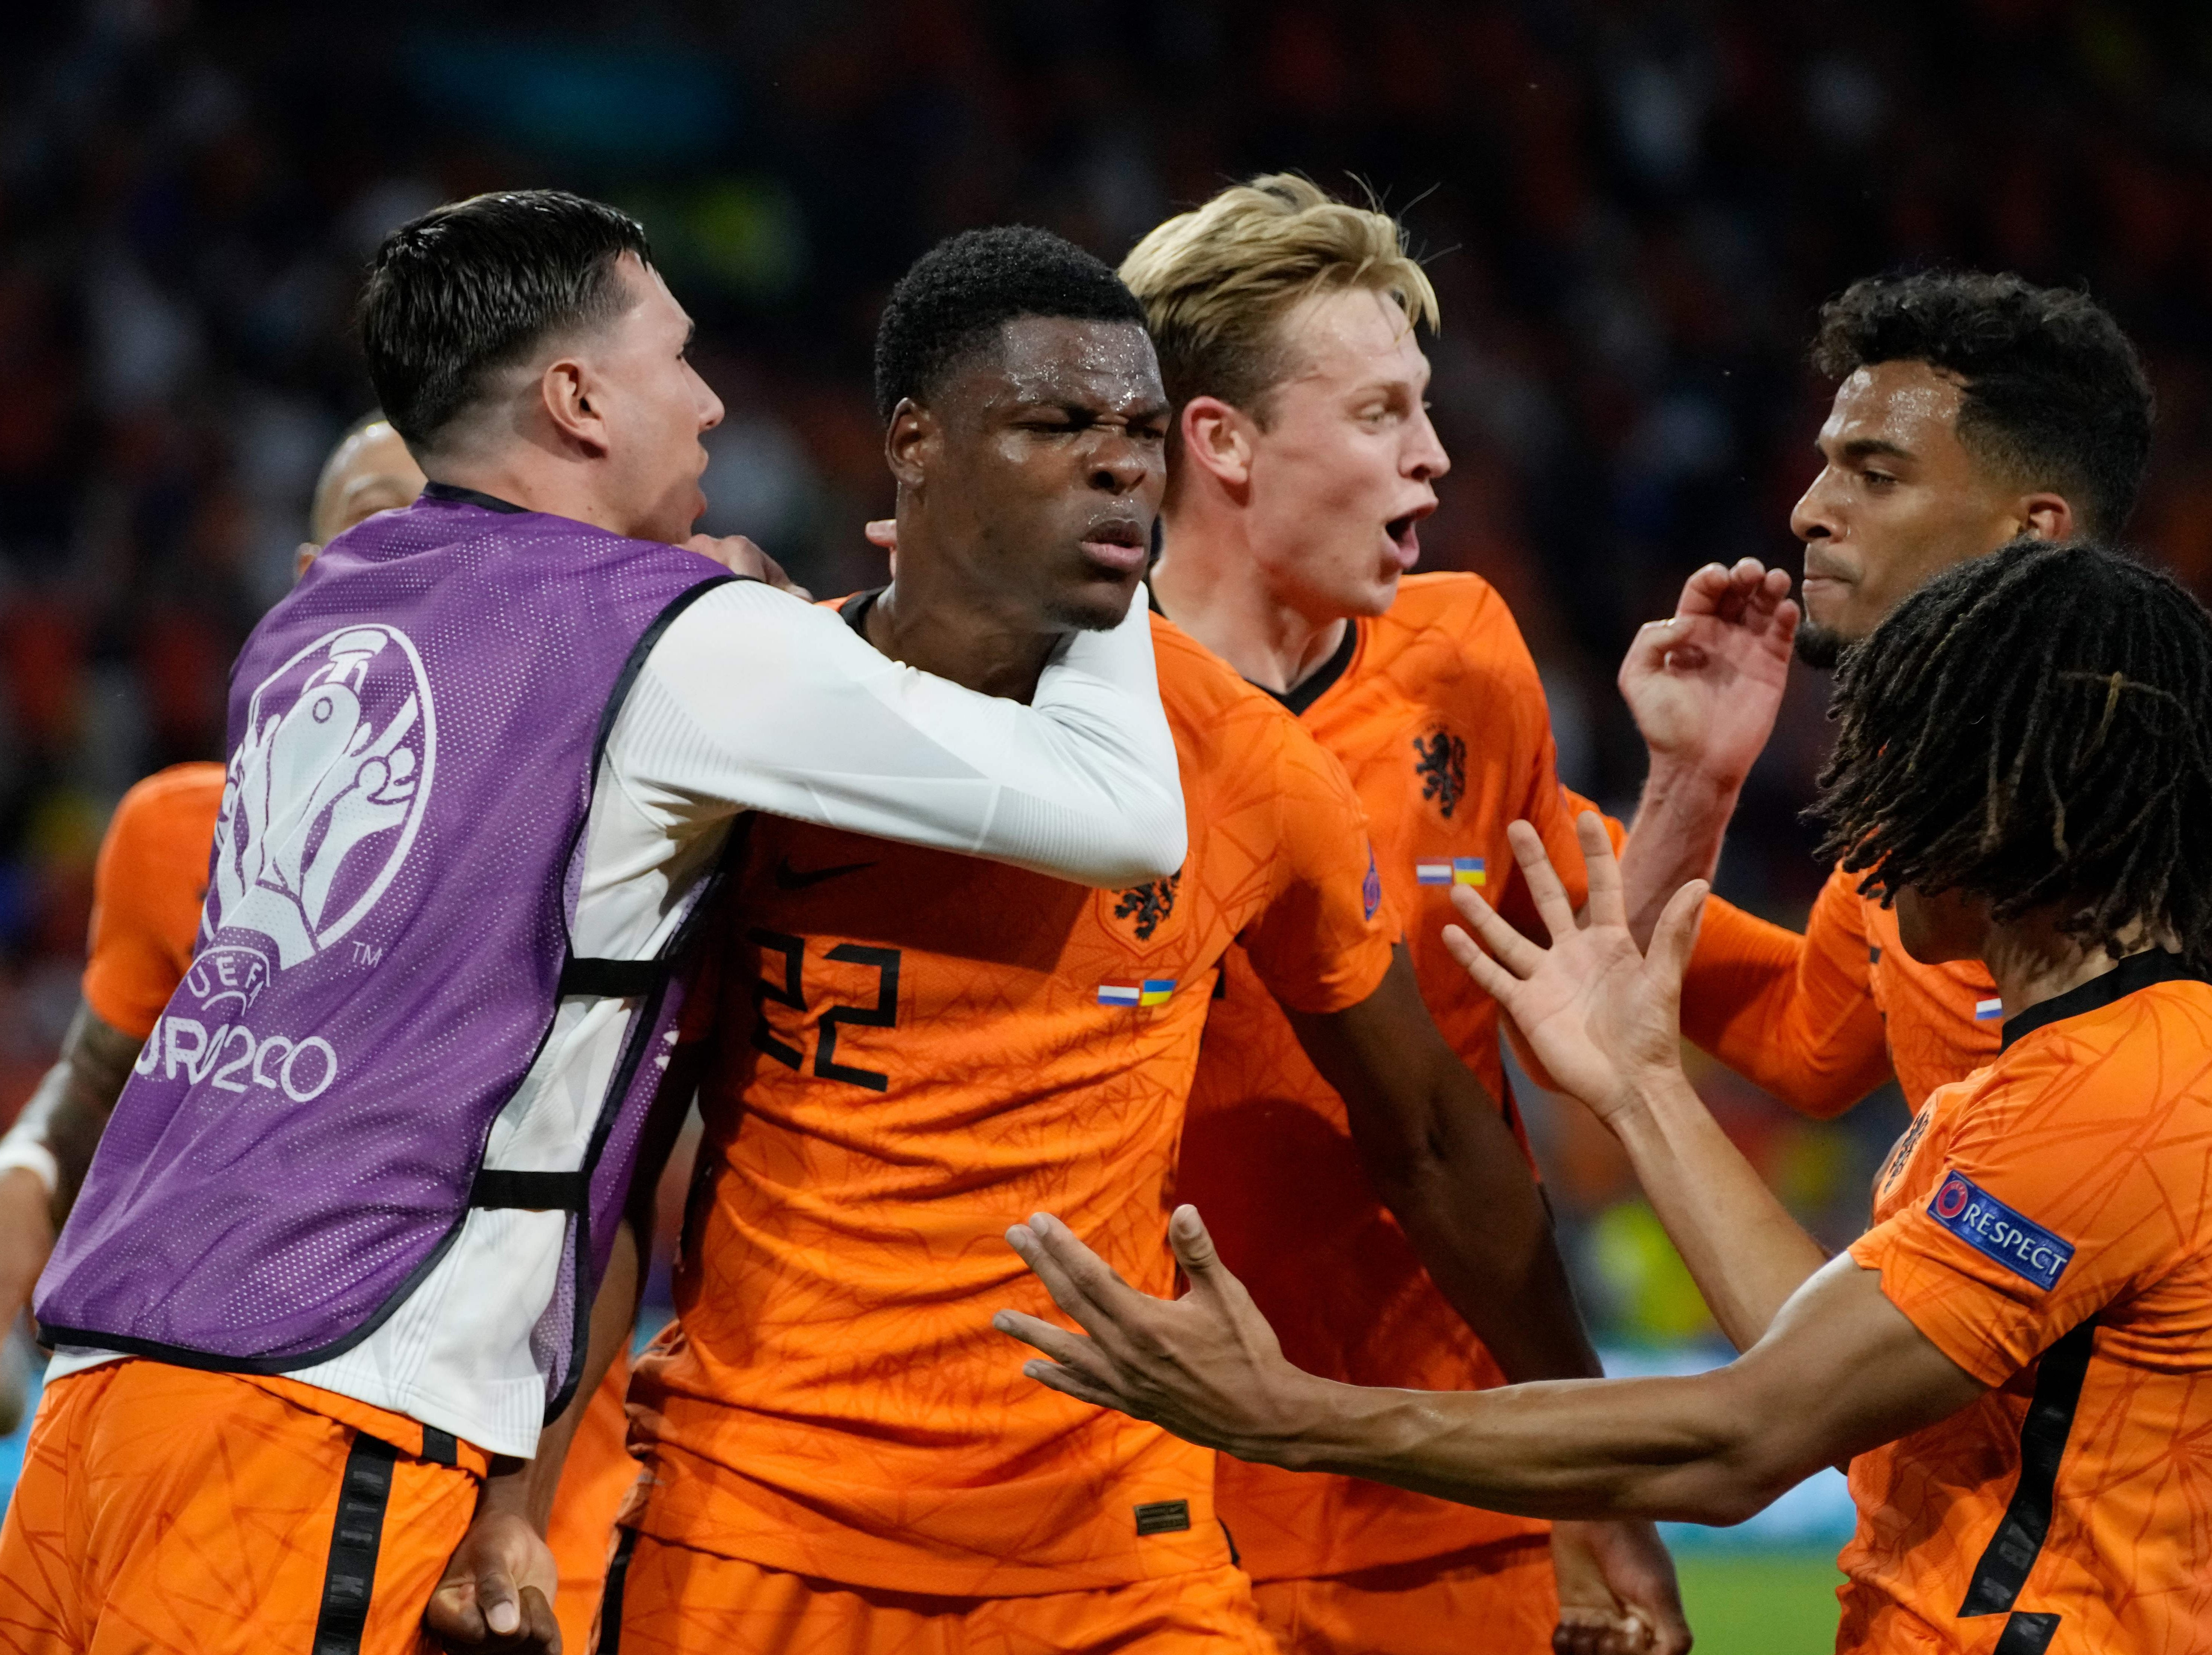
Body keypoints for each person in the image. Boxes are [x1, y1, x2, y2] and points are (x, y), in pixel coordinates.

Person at [0, 190, 1189, 1655]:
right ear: (575, 398)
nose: (704, 408)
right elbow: (1119, 812)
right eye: (675, 360)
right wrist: (1102, 533)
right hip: (319, 1401)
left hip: (103, 1383)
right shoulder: (681, 639)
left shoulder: (321, 613)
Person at [599, 226, 1616, 1655]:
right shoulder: (754, 721)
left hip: (1108, 1544)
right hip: (765, 1513)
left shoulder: (1248, 767)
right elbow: (614, 1135)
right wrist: (527, 1490)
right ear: (914, 441)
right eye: (1056, 423)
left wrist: (1597, 1468)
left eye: (1139, 430)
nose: (1120, 463)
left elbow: (1437, 1140)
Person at [997, 538, 2212, 1655]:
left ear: (2024, 797)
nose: (1872, 819)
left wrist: (1291, 1415)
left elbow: (1748, 1433)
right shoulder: (2097, 1066)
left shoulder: (2127, 1097)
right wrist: (1640, 1088)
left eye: (1916, 763)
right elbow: (1833, 1367)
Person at [1093, 173, 1781, 1652]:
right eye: (1378, 414)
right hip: (1137, 1501)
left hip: (1450, 1495)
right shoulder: (1053, 713)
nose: (1433, 453)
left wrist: (1688, 791)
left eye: (1424, 407)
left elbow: (1582, 983)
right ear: (1215, 440)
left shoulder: (1463, 654)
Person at [1650, 271, 2157, 1119]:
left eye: (1875, 477)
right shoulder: (1917, 782)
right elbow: (1805, 1035)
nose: (1807, 512)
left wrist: (1640, 1095)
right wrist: (1534, 799)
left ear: (2031, 533)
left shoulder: (2158, 808)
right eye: (1825, 470)